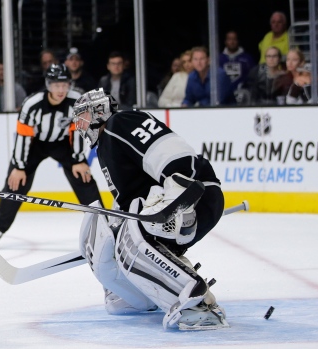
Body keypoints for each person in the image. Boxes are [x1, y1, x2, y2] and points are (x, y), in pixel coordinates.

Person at [72, 88, 228, 330]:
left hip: (192, 195)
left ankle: (196, 306)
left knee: (134, 241)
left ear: (98, 111)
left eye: (82, 116)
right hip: (167, 207)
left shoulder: (119, 122)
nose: (79, 125)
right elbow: (128, 200)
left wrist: (179, 191)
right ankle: (136, 293)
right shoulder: (105, 145)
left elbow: (170, 150)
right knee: (123, 237)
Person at [0, 64, 102, 244]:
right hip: (35, 144)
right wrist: (18, 166)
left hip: (64, 144)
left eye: (64, 85)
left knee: (84, 178)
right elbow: (23, 136)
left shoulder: (77, 102)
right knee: (15, 182)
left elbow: (78, 132)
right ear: (48, 85)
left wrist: (78, 159)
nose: (61, 89)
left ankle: (103, 225)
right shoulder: (33, 104)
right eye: (56, 85)